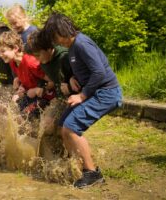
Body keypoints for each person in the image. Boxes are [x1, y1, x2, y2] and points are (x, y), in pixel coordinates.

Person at [42, 12, 122, 188]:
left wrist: (82, 95)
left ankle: (92, 173)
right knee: (63, 125)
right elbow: (79, 69)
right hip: (96, 92)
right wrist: (71, 78)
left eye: (54, 37)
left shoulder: (81, 43)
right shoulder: (72, 48)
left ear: (61, 30)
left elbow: (99, 72)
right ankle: (78, 166)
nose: (55, 42)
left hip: (107, 93)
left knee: (71, 128)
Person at [0, 30, 54, 120]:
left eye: (3, 51)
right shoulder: (13, 62)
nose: (0, 55)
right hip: (31, 96)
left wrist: (37, 89)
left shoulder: (30, 62)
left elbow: (53, 80)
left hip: (46, 97)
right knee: (8, 110)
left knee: (21, 118)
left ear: (15, 48)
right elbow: (26, 77)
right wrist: (21, 87)